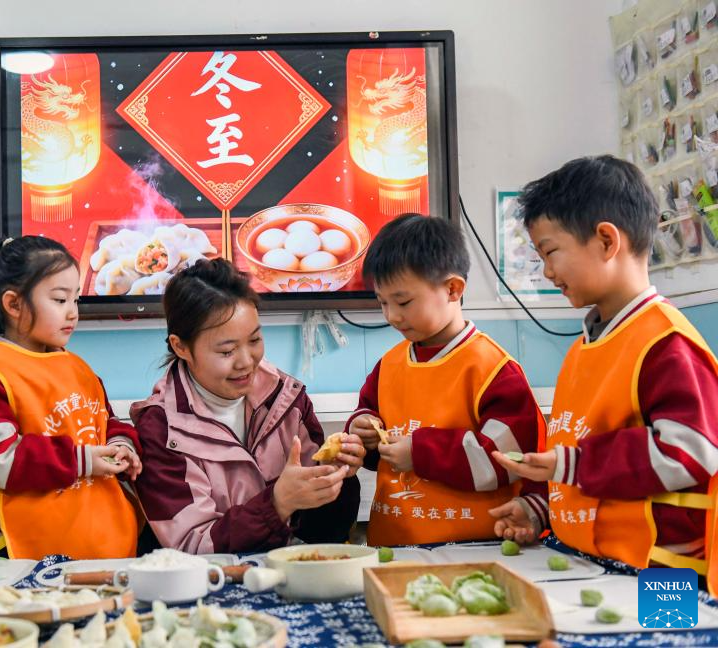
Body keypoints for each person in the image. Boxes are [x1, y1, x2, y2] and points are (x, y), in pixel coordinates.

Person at [491, 155, 718, 596]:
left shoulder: (666, 342)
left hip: (662, 574)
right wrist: (541, 509)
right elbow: (584, 467)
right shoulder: (584, 348)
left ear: (606, 240)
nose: (547, 271)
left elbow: (690, 452)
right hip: (587, 561)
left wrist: (570, 464)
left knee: (669, 636)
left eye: (550, 252)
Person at [131, 258, 363, 553]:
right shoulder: (162, 429)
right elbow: (192, 545)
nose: (246, 362)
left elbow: (324, 532)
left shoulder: (285, 398)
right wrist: (277, 503)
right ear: (181, 347)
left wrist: (338, 476)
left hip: (291, 569)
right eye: (226, 351)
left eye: (254, 340)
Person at [348, 213, 546, 547]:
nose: (392, 315)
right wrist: (361, 430)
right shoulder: (389, 364)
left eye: (403, 301)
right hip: (395, 544)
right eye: (382, 302)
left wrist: (421, 453)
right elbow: (369, 417)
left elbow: (507, 459)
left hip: (476, 546)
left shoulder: (493, 368)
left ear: (453, 289)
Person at [0, 235, 140, 560]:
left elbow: (106, 424)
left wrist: (122, 446)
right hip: (28, 560)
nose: (72, 312)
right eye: (60, 300)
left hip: (103, 546)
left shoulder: (78, 368)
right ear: (14, 304)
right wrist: (80, 460)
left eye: (75, 299)